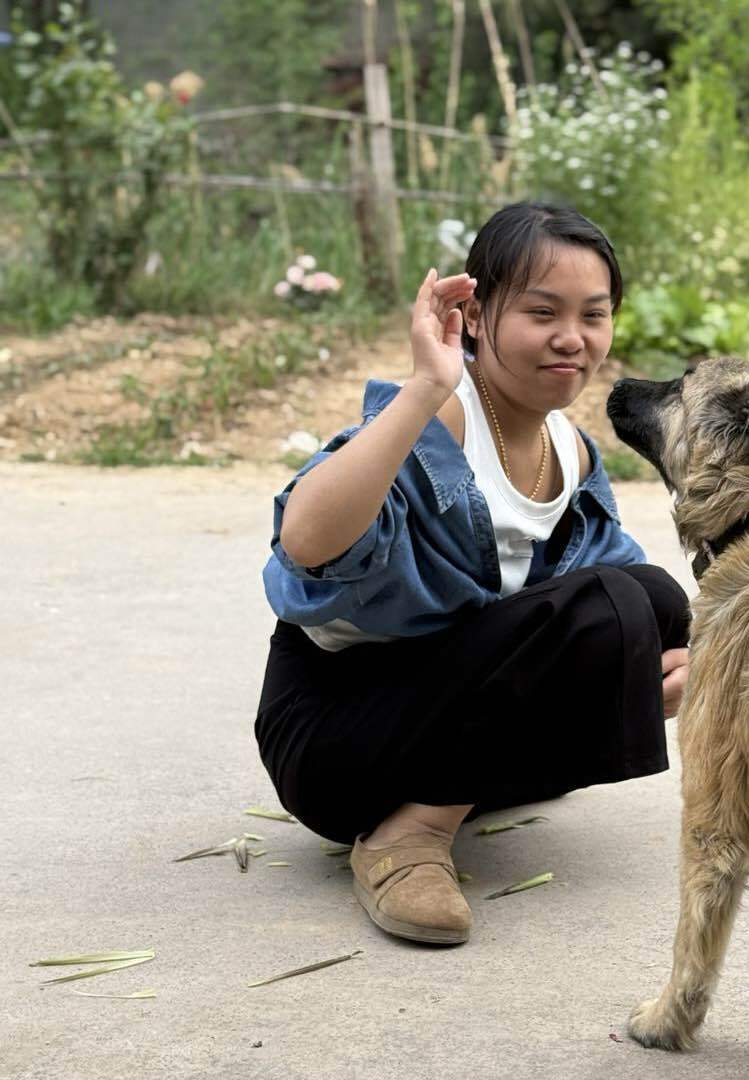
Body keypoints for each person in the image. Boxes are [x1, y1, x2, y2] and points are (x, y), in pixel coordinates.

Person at [256, 201, 691, 947]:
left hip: (443, 714)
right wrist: (426, 384)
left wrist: (679, 663)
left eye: (594, 314)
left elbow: (635, 609)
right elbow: (306, 542)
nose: (572, 339)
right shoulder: (441, 422)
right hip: (338, 738)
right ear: (477, 313)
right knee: (612, 603)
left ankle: (451, 787)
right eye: (542, 312)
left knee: (655, 602)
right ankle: (407, 836)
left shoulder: (571, 450)